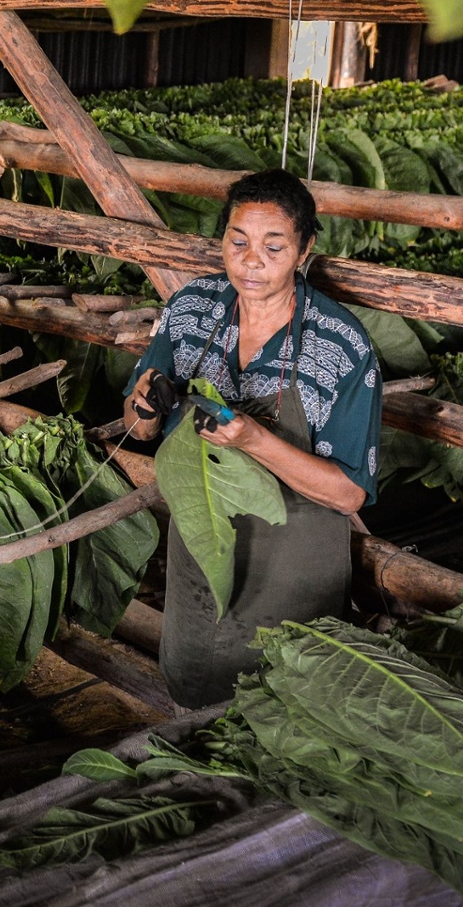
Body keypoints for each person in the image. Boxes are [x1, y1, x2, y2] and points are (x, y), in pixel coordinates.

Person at [123, 168, 382, 706]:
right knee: (192, 700)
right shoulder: (193, 309)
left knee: (283, 709)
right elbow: (138, 426)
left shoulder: (341, 344)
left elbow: (348, 494)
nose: (251, 261)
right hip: (202, 550)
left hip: (293, 571)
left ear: (304, 248)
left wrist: (254, 441)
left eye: (273, 246)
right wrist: (145, 406)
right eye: (237, 241)